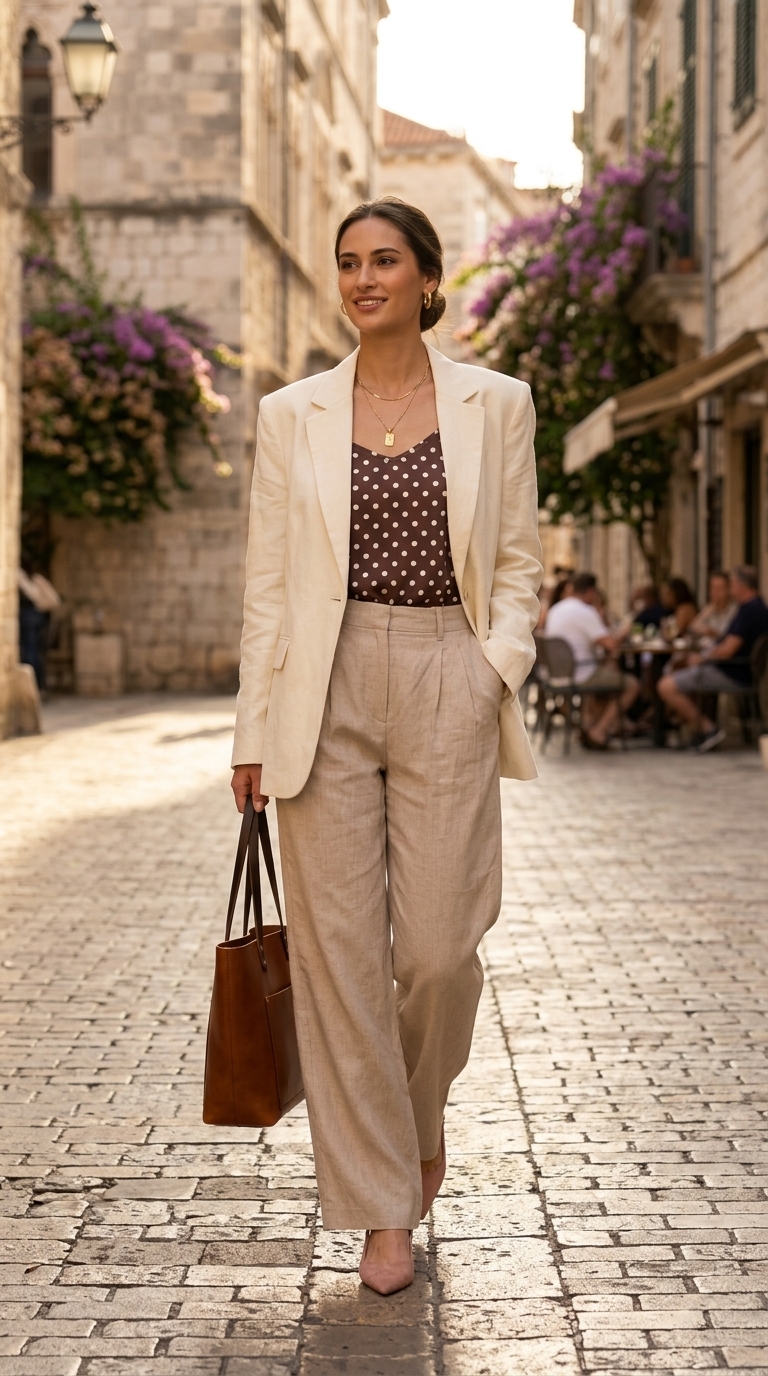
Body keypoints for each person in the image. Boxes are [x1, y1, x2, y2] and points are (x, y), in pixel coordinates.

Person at [230, 197, 542, 1296]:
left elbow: (517, 563)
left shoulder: (496, 403)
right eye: (349, 263)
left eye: (385, 261)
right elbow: (269, 584)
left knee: (445, 948)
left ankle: (420, 1116)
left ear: (426, 276)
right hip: (321, 686)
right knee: (342, 959)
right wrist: (251, 730)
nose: (364, 279)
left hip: (447, 670)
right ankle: (380, 1204)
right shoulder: (292, 413)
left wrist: (490, 666)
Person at [657, 565, 768, 751]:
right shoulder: (756, 608)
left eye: (731, 585)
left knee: (665, 685)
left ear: (740, 585)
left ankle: (707, 729)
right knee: (677, 670)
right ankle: (694, 729)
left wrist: (703, 658)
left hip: (732, 672)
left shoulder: (748, 611)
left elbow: (727, 649)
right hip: (736, 669)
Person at [546, 571, 640, 748]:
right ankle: (599, 731)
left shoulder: (555, 610)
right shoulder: (585, 611)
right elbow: (611, 644)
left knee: (608, 676)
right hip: (582, 673)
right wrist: (625, 630)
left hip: (558, 674)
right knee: (631, 685)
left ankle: (590, 726)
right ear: (590, 591)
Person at [690, 570, 737, 642]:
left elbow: (727, 636)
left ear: (728, 589)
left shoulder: (735, 610)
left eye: (719, 588)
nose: (715, 592)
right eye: (712, 588)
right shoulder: (710, 608)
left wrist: (712, 633)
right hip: (705, 649)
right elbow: (693, 627)